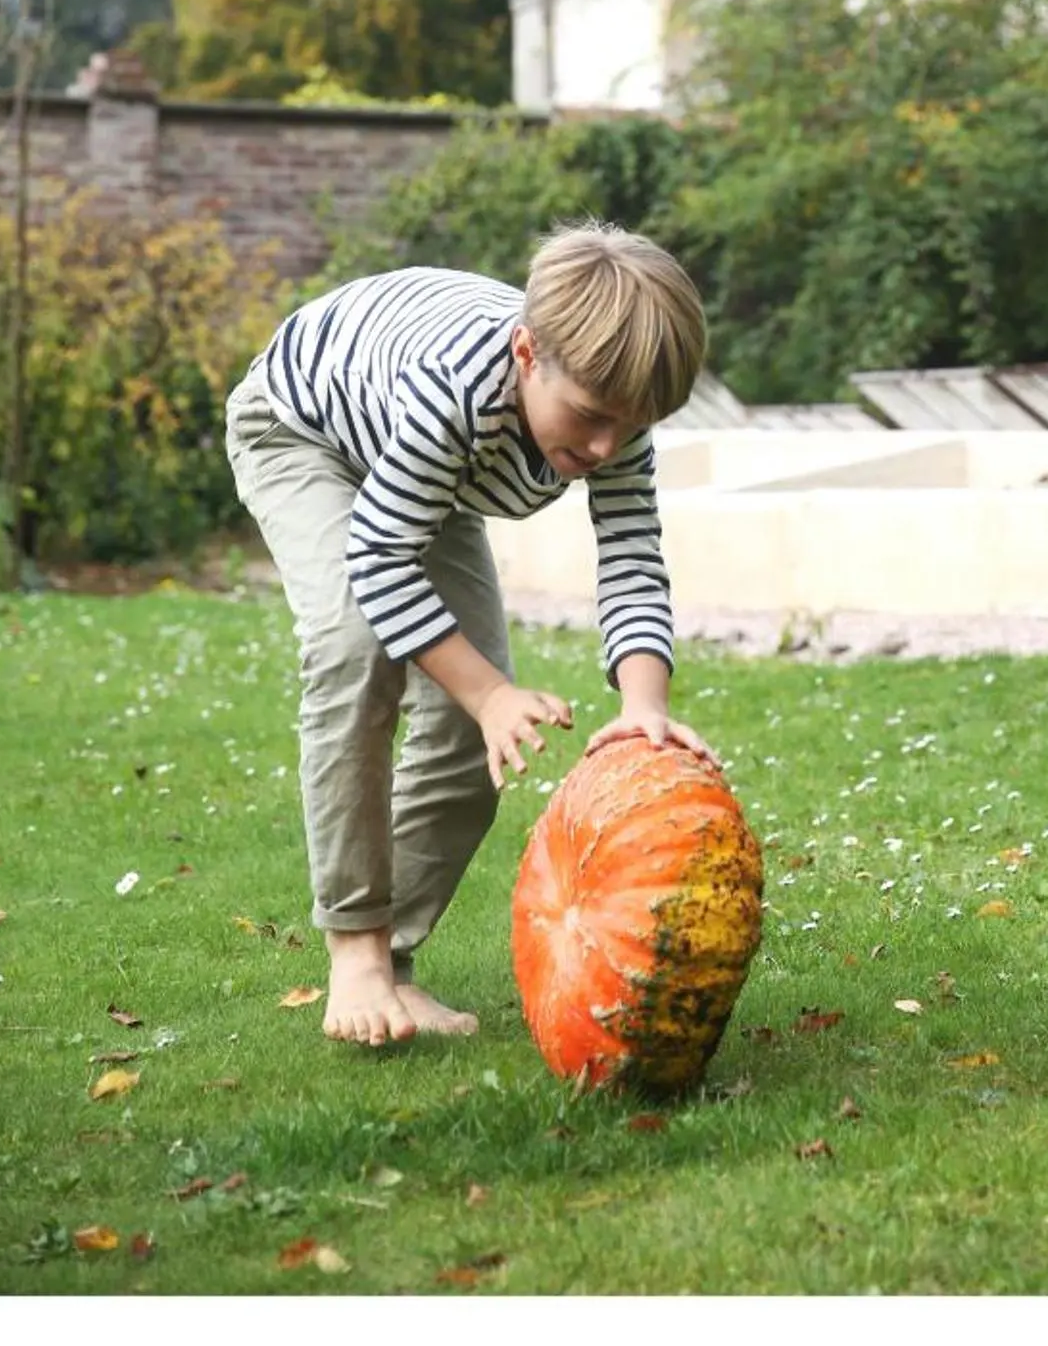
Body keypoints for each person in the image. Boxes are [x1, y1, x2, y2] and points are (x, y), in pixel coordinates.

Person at [224, 221, 714, 1047]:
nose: (603, 447)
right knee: (357, 647)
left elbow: (631, 549)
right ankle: (356, 952)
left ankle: (395, 961)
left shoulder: (615, 415)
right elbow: (379, 556)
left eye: (628, 427)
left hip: (425, 481)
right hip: (303, 431)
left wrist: (643, 707)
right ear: (528, 354)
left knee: (469, 728)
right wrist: (488, 690)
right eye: (591, 417)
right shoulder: (456, 388)